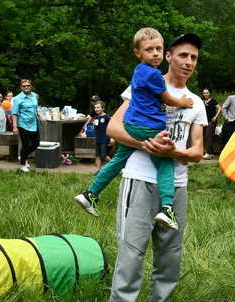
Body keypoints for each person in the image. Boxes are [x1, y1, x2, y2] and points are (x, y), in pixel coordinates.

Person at [105, 32, 206, 302]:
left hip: (176, 187)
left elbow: (198, 150)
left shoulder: (196, 102)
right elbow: (114, 129)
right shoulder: (144, 81)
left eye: (193, 57)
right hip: (139, 179)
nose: (188, 62)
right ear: (168, 56)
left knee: (169, 259)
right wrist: (145, 144)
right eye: (182, 55)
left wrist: (173, 150)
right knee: (131, 255)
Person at [75, 27, 194, 230]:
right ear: (137, 53)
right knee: (165, 162)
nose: (155, 53)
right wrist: (182, 102)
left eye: (158, 48)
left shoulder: (138, 70)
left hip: (131, 125)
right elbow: (168, 99)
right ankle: (167, 208)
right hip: (149, 127)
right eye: (149, 50)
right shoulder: (155, 75)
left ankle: (91, 193)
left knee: (118, 159)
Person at [11, 79, 40, 172]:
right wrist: (15, 127)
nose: (26, 87)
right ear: (21, 87)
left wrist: (41, 116)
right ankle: (23, 164)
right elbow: (14, 113)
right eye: (24, 86)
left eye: (28, 85)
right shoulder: (17, 99)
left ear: (31, 86)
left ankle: (23, 156)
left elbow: (36, 109)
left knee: (36, 144)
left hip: (34, 124)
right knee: (26, 144)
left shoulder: (35, 96)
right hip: (23, 124)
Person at [90, 99, 111, 171]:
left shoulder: (106, 117)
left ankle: (114, 165)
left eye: (98, 107)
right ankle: (98, 171)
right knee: (97, 156)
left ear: (103, 108)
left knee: (103, 155)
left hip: (104, 139)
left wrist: (112, 137)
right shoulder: (95, 117)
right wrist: (94, 126)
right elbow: (95, 129)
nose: (96, 109)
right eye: (95, 107)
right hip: (98, 138)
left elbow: (111, 126)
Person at [201, 88, 220, 159]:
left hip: (211, 121)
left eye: (207, 93)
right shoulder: (202, 101)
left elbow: (219, 108)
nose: (205, 94)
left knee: (208, 135)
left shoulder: (213, 101)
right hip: (203, 121)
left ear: (209, 93)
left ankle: (208, 153)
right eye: (204, 93)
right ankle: (210, 152)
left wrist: (215, 116)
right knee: (205, 136)